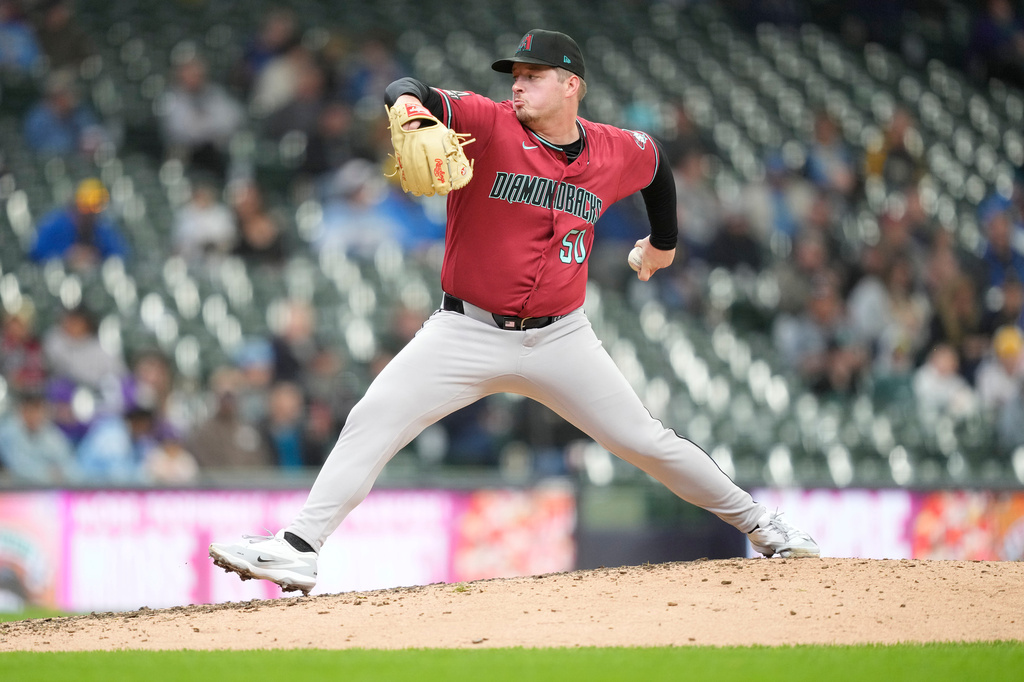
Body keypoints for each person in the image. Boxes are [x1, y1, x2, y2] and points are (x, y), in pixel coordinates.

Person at [210, 29, 819, 596]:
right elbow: (407, 88)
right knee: (375, 416)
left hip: (561, 338)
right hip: (465, 330)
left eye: (533, 75)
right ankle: (300, 547)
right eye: (515, 75)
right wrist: (411, 111)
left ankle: (764, 527)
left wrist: (664, 243)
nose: (518, 85)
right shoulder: (487, 122)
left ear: (571, 85)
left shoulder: (613, 149)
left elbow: (656, 163)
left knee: (647, 441)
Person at [29, 178, 129, 268]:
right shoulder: (56, 224)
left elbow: (120, 253)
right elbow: (37, 252)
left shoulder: (101, 226)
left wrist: (96, 257)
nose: (90, 214)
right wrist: (68, 256)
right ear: (76, 206)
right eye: (86, 208)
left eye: (95, 208)